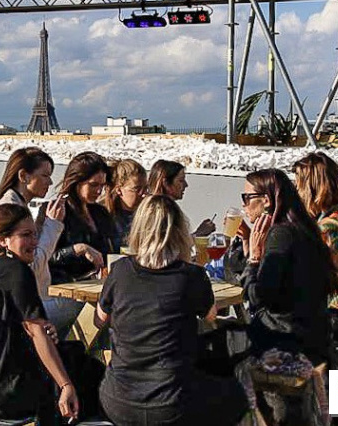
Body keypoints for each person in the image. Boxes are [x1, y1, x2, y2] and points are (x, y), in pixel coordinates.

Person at [97, 195, 248, 426]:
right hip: (172, 403)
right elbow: (210, 317)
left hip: (118, 400)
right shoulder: (191, 276)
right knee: (241, 394)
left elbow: (99, 320)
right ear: (179, 232)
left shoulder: (120, 271)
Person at [0, 204, 79, 425]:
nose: (34, 241)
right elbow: (37, 332)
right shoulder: (16, 270)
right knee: (80, 369)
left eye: (35, 234)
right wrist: (66, 385)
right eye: (26, 235)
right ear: (3, 239)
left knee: (68, 356)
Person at [238, 168, 337, 365]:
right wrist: (250, 249)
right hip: (315, 334)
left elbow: (259, 297)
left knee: (209, 342)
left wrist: (254, 260)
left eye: (247, 197)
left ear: (266, 200)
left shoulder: (280, 235)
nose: (243, 204)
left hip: (286, 340)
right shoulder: (303, 228)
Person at [0, 147, 70, 329]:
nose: (50, 181)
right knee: (90, 307)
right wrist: (53, 225)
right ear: (24, 176)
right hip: (18, 308)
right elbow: (32, 266)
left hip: (18, 303)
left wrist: (42, 224)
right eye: (45, 175)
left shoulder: (14, 206)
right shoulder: (11, 210)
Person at [293, 152, 338, 345]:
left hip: (332, 319)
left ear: (311, 188)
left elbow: (301, 270)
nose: (296, 192)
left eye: (298, 185)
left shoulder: (329, 227)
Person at [44, 152, 116, 333]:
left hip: (93, 291)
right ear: (77, 182)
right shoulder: (57, 211)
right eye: (93, 185)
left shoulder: (100, 213)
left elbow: (109, 251)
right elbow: (43, 257)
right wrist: (76, 249)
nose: (98, 191)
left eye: (101, 186)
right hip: (64, 292)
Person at [103, 158, 147, 250]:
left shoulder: (148, 215)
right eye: (137, 189)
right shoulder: (104, 216)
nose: (143, 194)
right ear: (119, 190)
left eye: (145, 188)